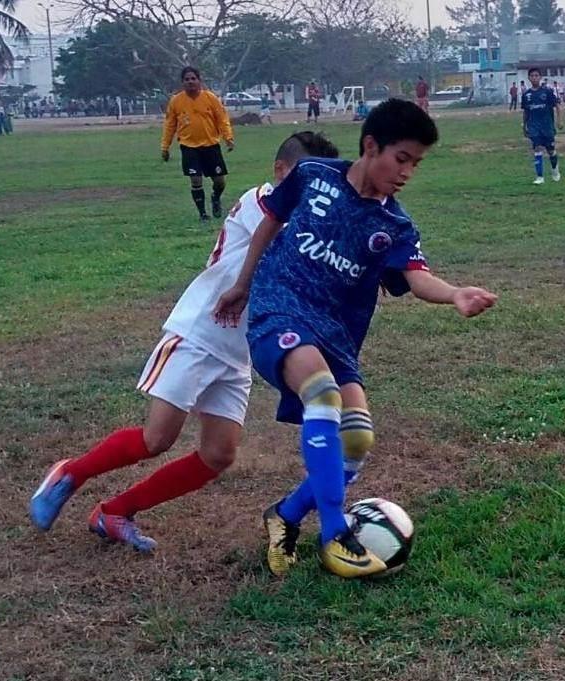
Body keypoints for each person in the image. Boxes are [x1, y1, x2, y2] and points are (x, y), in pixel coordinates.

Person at [213, 100, 497, 578]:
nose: (407, 172)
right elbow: (269, 223)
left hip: (335, 333)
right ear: (371, 147)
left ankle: (283, 515)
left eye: (416, 164)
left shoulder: (394, 227)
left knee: (358, 438)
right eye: (401, 159)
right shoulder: (312, 176)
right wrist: (243, 282)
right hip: (279, 308)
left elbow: (415, 276)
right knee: (322, 396)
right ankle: (334, 537)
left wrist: (454, 295)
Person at [29, 131, 341, 551]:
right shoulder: (260, 202)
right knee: (156, 439)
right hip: (200, 333)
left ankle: (115, 511)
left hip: (237, 353)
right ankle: (71, 473)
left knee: (218, 455)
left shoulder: (306, 221)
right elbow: (287, 249)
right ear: (281, 172)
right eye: (306, 182)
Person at [161, 66, 234, 222]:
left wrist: (228, 138)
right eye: (187, 79)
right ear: (182, 82)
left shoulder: (210, 98)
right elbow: (170, 125)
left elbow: (222, 119)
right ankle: (202, 214)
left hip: (211, 145)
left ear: (199, 81)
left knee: (220, 181)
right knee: (195, 180)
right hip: (189, 147)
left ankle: (216, 197)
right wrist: (165, 147)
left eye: (193, 79)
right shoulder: (176, 101)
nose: (190, 82)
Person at [521, 66, 563, 185]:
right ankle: (540, 177)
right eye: (532, 76)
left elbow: (558, 106)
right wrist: (524, 126)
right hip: (534, 126)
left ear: (540, 77)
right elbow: (526, 112)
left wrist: (560, 121)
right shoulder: (526, 95)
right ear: (529, 78)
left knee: (551, 151)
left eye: (536, 76)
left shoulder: (547, 92)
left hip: (547, 126)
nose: (534, 78)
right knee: (537, 149)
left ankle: (555, 170)